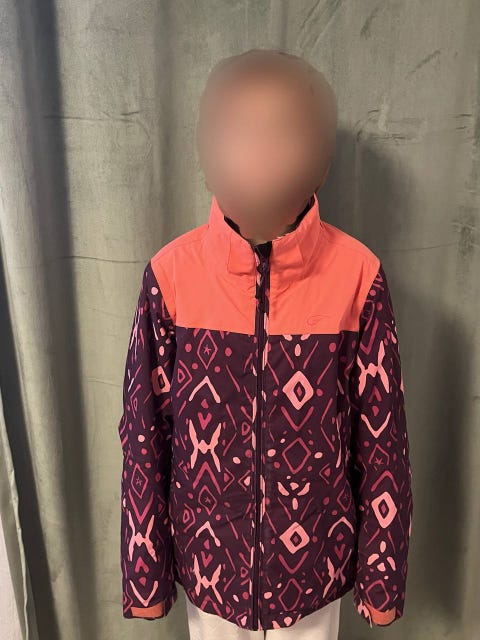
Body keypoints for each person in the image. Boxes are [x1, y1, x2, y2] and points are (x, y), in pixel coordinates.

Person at [117, 49, 413, 639]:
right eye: (239, 131)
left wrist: (382, 576)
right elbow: (143, 431)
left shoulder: (356, 275)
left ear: (319, 155)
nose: (259, 153)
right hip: (209, 564)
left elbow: (382, 436)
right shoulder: (172, 275)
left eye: (283, 132)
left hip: (315, 565)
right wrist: (145, 575)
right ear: (207, 147)